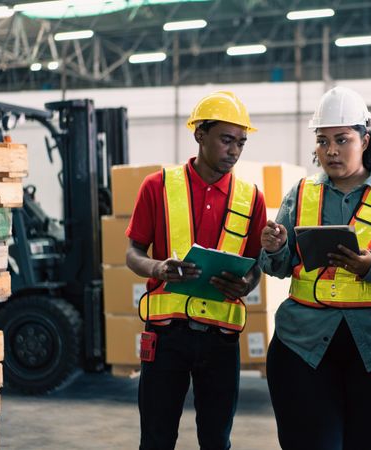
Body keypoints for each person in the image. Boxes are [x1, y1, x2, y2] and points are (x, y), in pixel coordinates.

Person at [259, 86, 371, 450]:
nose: (331, 150)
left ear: (365, 140)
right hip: (302, 347)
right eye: (322, 141)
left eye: (342, 139)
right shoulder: (300, 194)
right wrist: (275, 247)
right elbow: (280, 267)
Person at [125, 91, 268, 450]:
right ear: (200, 135)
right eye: (225, 139)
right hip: (166, 335)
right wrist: (159, 267)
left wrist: (245, 284)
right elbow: (132, 253)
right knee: (156, 439)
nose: (234, 150)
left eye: (241, 142)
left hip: (221, 339)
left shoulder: (251, 198)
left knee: (217, 440)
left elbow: (257, 267)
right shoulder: (157, 186)